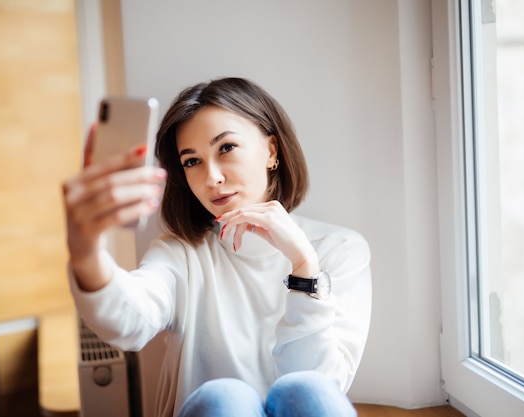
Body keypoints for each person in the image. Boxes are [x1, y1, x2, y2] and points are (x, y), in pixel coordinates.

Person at [62, 77, 372, 417]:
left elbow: (325, 383)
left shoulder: (340, 249)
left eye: (226, 148)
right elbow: (128, 321)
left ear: (271, 150)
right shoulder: (181, 253)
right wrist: (86, 251)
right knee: (227, 399)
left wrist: (304, 266)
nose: (211, 178)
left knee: (307, 390)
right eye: (192, 161)